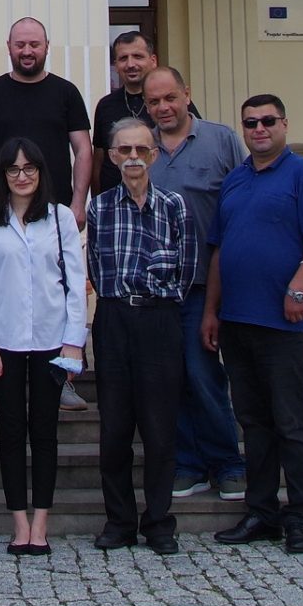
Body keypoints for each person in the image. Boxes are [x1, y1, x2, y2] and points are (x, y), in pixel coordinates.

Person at [206, 93, 303, 557]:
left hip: (286, 322)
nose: (258, 129)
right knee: (254, 423)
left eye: (267, 121)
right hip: (238, 321)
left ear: (284, 124)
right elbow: (221, 249)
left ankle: (299, 516)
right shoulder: (236, 179)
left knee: (292, 423)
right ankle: (261, 511)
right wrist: (211, 311)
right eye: (250, 123)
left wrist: (298, 288)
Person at [0, 136, 86, 557]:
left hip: (52, 341)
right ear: (2, 175)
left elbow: (76, 285)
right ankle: (18, 522)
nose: (22, 177)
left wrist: (74, 344)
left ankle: (42, 523)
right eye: (13, 170)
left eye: (30, 169)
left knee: (45, 432)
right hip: (4, 340)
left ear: (41, 173)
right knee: (11, 431)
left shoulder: (58, 219)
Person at [88, 117, 196, 555]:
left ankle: (159, 522)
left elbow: (186, 272)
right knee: (114, 428)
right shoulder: (99, 208)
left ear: (153, 154)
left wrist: (155, 300)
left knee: (159, 427)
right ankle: (119, 522)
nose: (133, 158)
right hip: (114, 320)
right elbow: (94, 266)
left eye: (141, 150)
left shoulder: (175, 206)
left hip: (159, 321)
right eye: (124, 151)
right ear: (112, 157)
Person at [142, 64, 247, 503]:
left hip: (206, 285)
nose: (163, 107)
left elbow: (244, 205)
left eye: (170, 98)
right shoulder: (141, 147)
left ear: (186, 94)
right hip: (156, 290)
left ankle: (228, 463)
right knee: (170, 379)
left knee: (203, 375)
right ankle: (187, 463)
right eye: (154, 102)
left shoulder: (220, 140)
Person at [0, 17, 92, 216]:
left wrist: (78, 203)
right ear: (9, 47)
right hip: (3, 210)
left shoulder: (67, 93)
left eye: (34, 45)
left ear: (47, 46)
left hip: (56, 208)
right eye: (19, 45)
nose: (26, 51)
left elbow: (83, 149)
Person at [89, 30, 159, 194]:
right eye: (123, 58)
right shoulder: (105, 105)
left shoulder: (168, 103)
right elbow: (98, 160)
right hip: (113, 204)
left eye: (137, 56)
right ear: (116, 65)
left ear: (153, 60)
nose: (130, 64)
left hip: (157, 203)